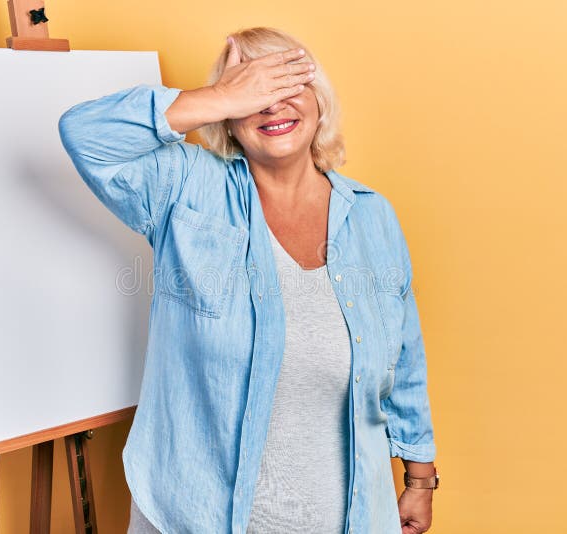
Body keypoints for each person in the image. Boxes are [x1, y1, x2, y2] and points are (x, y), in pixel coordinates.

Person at [59, 26, 438, 534]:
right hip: (198, 513)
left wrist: (419, 478)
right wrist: (217, 97)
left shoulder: (371, 217)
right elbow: (85, 135)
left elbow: (404, 357)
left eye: (286, 86)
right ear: (230, 120)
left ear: (318, 102)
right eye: (252, 91)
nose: (271, 106)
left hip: (345, 516)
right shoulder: (188, 189)